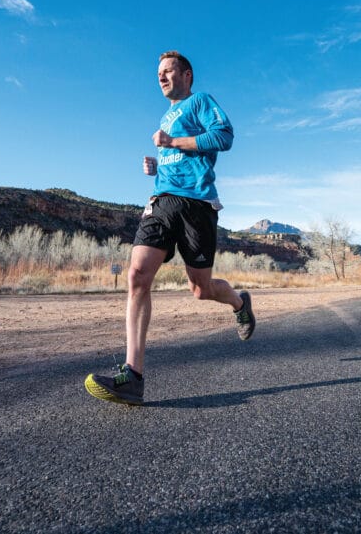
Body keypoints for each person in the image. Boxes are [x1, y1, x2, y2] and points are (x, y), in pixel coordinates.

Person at [85, 50, 254, 406]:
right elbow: (175, 160)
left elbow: (224, 137)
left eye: (168, 71)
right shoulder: (166, 114)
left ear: (187, 74)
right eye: (158, 73)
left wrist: (171, 143)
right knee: (136, 276)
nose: (160, 78)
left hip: (197, 206)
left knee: (200, 288)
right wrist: (156, 167)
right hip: (162, 201)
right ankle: (132, 376)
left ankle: (240, 303)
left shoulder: (200, 102)